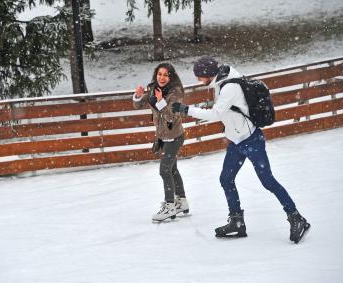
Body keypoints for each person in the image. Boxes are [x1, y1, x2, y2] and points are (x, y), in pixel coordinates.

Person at [172, 56, 310, 243]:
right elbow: (227, 112)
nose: (199, 80)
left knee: (268, 181)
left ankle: (296, 217)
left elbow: (215, 114)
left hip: (252, 140)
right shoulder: (221, 83)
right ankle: (236, 221)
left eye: (199, 76)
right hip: (237, 141)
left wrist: (185, 109)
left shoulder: (229, 87)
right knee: (226, 179)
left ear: (207, 74)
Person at [133, 63, 189, 222]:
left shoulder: (176, 92)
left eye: (165, 75)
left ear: (171, 77)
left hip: (175, 137)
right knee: (172, 170)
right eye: (159, 74)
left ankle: (170, 206)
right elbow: (138, 104)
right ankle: (182, 202)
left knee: (165, 171)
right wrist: (137, 95)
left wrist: (160, 101)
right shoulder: (154, 88)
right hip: (162, 136)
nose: (162, 78)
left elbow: (171, 116)